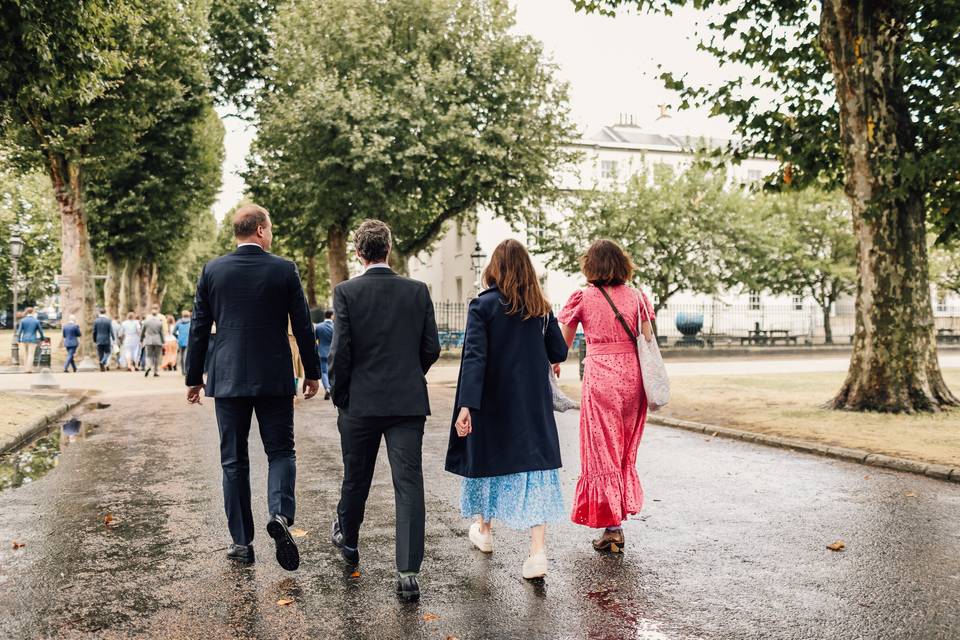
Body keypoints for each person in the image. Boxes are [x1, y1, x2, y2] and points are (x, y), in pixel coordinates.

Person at [186, 203, 320, 571]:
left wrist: (193, 378)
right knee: (280, 451)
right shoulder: (283, 269)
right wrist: (312, 372)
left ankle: (241, 543)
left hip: (227, 378)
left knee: (233, 460)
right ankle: (279, 514)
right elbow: (304, 326)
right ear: (260, 230)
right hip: (274, 375)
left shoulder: (213, 270)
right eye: (271, 228)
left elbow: (199, 328)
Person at [329, 219, 440, 602]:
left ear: (359, 253)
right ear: (388, 250)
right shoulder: (417, 291)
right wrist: (410, 375)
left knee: (355, 477)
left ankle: (350, 541)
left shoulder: (345, 293)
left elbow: (340, 353)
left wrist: (342, 395)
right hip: (406, 401)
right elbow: (431, 348)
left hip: (360, 400)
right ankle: (408, 572)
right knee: (408, 484)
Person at [445, 239, 568, 580]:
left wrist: (467, 405)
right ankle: (537, 551)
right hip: (531, 405)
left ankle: (484, 531)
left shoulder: (482, 306)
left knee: (488, 462)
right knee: (534, 470)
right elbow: (558, 351)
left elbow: (474, 357)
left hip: (492, 402)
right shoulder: (540, 308)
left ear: (494, 268)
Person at [557, 239, 655, 553]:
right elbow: (648, 339)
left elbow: (562, 345)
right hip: (633, 380)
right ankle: (616, 519)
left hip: (600, 378)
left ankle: (612, 527)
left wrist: (553, 365)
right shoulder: (638, 297)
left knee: (602, 450)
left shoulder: (583, 297)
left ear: (591, 266)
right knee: (624, 449)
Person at [16, 307, 44, 373]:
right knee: (31, 354)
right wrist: (42, 338)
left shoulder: (23, 320)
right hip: (32, 339)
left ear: (27, 312)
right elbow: (41, 331)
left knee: (25, 354)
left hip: (24, 339)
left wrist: (18, 340)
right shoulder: (36, 321)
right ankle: (29, 369)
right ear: (33, 312)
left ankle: (25, 368)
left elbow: (19, 331)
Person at [140, 306, 165, 378]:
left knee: (148, 356)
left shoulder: (146, 321)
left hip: (148, 341)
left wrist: (141, 339)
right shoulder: (159, 322)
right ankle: (155, 371)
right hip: (158, 341)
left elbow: (143, 331)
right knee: (157, 357)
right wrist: (163, 341)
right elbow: (161, 333)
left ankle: (148, 366)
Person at [315, 310, 334, 400]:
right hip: (333, 353)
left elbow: (314, 340)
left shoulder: (318, 327)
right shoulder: (335, 327)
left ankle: (327, 388)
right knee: (334, 372)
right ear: (332, 316)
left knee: (324, 372)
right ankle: (333, 388)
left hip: (322, 353)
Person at [172, 310, 191, 376]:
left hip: (180, 340)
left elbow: (173, 332)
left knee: (182, 355)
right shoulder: (191, 322)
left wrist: (178, 337)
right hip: (189, 340)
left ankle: (183, 371)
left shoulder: (179, 322)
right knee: (186, 356)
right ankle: (186, 370)